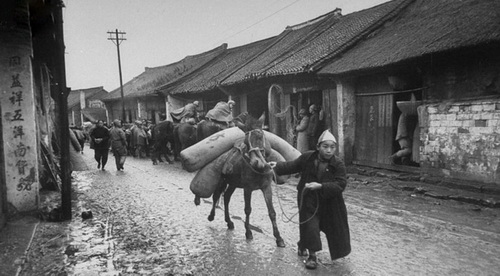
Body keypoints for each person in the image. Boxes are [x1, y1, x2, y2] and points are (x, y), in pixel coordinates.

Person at [269, 129, 351, 270]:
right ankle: (312, 257)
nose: (329, 150)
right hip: (308, 199)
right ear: (318, 147)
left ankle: (302, 244)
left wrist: (321, 186)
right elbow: (292, 166)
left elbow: (341, 184)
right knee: (310, 226)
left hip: (330, 202)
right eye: (325, 147)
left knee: (332, 228)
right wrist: (276, 166)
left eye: (332, 147)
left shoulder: (338, 164)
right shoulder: (307, 158)